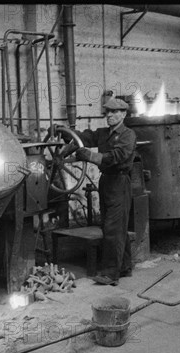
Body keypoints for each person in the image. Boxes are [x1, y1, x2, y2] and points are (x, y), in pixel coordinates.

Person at [53, 98, 136, 286]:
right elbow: (83, 138)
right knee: (110, 226)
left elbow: (117, 157)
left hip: (120, 182)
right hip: (106, 181)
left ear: (123, 114)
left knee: (114, 228)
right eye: (107, 113)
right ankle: (124, 267)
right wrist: (63, 131)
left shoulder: (127, 135)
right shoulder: (103, 133)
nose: (109, 116)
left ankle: (109, 274)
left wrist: (90, 156)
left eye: (114, 113)